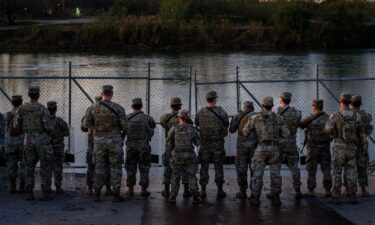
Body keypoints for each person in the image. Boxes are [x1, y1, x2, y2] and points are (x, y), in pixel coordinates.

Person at [243, 96, 290, 206]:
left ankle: (255, 197)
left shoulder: (255, 117)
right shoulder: (278, 118)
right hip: (274, 148)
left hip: (260, 148)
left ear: (262, 105)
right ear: (272, 105)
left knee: (257, 174)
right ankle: (276, 196)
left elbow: (245, 132)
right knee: (275, 174)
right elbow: (286, 133)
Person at [86, 85, 127, 202]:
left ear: (101, 93)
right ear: (112, 94)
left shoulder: (92, 108)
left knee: (99, 166)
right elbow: (125, 126)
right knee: (115, 167)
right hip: (115, 141)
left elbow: (85, 125)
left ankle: (97, 194)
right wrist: (121, 135)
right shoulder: (118, 108)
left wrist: (96, 129)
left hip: (99, 141)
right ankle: (116, 194)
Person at [325, 93, 367, 205]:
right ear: (350, 102)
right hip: (352, 147)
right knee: (351, 171)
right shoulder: (356, 116)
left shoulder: (335, 115)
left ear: (340, 102)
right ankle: (352, 195)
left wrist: (334, 135)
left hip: (339, 147)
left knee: (336, 172)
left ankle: (335, 197)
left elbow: (328, 130)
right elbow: (362, 133)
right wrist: (363, 146)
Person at [13, 85, 54, 201]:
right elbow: (48, 126)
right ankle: (46, 192)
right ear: (38, 95)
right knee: (45, 166)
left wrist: (25, 130)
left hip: (28, 139)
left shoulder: (22, 108)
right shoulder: (42, 108)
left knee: (29, 166)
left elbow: (16, 125)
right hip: (41, 140)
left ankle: (29, 192)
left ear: (29, 95)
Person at [195, 90, 229, 199]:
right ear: (215, 99)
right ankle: (219, 191)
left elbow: (196, 123)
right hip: (218, 144)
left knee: (204, 167)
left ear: (206, 99)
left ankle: (203, 190)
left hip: (205, 144)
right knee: (218, 167)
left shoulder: (200, 112)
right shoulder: (221, 111)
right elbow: (226, 123)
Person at [160, 97, 193, 198]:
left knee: (168, 167)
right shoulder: (185, 118)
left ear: (171, 106)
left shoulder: (164, 117)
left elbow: (162, 124)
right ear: (179, 106)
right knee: (185, 168)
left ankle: (166, 190)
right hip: (183, 145)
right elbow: (190, 125)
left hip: (170, 145)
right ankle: (186, 191)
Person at [166, 109, 202, 205]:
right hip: (189, 155)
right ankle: (195, 197)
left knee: (175, 176)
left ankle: (173, 197)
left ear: (179, 117)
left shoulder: (174, 128)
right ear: (188, 118)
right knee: (191, 176)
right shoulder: (192, 129)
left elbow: (169, 144)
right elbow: (198, 143)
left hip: (177, 156)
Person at [299, 99, 332, 198]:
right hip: (325, 146)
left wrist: (313, 115)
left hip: (313, 147)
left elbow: (301, 124)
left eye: (312, 105)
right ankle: (327, 190)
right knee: (326, 168)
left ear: (314, 106)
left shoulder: (310, 117)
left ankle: (311, 190)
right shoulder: (328, 118)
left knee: (311, 169)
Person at [81, 96, 113, 196]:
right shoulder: (111, 112)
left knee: (91, 167)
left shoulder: (90, 111)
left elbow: (83, 127)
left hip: (93, 144)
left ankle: (90, 189)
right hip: (106, 143)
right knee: (107, 166)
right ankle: (108, 188)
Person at [125, 98, 156, 197]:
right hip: (144, 147)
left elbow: (123, 129)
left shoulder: (127, 118)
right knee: (144, 167)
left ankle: (130, 190)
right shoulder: (147, 118)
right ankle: (143, 190)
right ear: (141, 106)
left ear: (132, 106)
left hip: (131, 146)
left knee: (130, 168)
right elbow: (153, 126)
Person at [276, 92, 303, 200]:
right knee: (294, 168)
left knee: (276, 168)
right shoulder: (297, 113)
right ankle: (298, 190)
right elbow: (299, 123)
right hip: (291, 143)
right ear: (290, 100)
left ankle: (276, 192)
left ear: (280, 99)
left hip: (279, 143)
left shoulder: (275, 112)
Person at [345, 95, 372, 197]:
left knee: (348, 166)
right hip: (362, 144)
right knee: (362, 166)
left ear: (351, 103)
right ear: (360, 104)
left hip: (350, 144)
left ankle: (347, 188)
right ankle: (363, 189)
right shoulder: (366, 115)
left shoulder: (348, 115)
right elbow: (369, 120)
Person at [229, 101, 257, 199]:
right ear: (253, 107)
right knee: (255, 170)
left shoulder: (238, 115)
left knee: (241, 169)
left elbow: (231, 130)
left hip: (242, 146)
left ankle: (243, 191)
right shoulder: (257, 115)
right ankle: (254, 193)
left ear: (244, 107)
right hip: (255, 146)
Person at [47, 101, 69, 194]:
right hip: (58, 148)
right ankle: (58, 187)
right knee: (58, 168)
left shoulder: (43, 121)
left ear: (47, 110)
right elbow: (67, 133)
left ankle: (47, 187)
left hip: (46, 148)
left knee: (47, 168)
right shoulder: (60, 121)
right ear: (56, 109)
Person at [5, 95, 25, 193]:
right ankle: (22, 186)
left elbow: (5, 130)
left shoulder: (7, 115)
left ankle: (13, 186)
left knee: (11, 164)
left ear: (12, 103)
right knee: (23, 164)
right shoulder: (24, 115)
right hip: (22, 143)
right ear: (21, 103)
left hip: (11, 143)